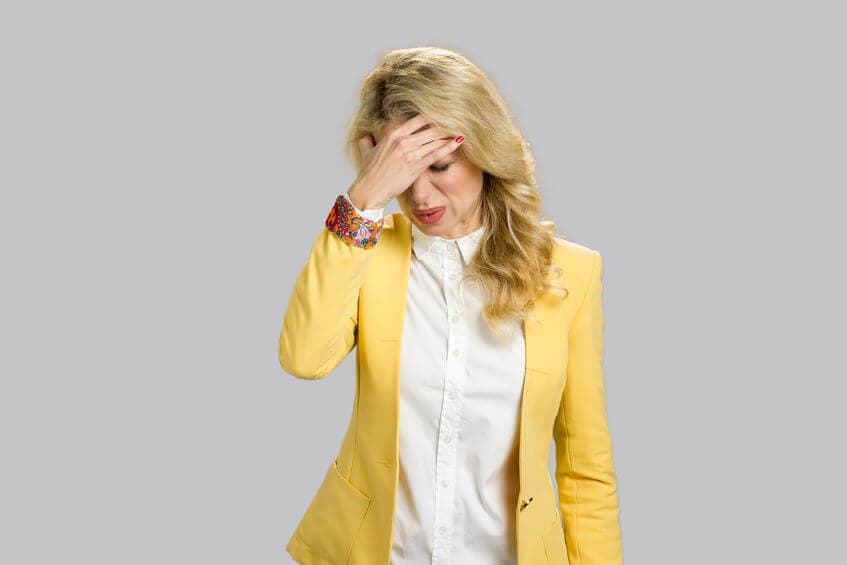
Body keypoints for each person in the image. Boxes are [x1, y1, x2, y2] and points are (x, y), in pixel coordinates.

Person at [278, 46, 623, 565]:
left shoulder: (571, 273)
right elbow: (304, 359)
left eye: (439, 165)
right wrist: (363, 201)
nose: (420, 195)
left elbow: (585, 464)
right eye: (400, 172)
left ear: (484, 151)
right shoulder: (363, 251)